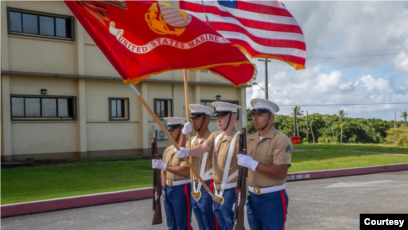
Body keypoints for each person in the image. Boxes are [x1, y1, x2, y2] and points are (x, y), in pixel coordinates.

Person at [175, 101, 244, 230]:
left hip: (230, 189)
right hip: (217, 191)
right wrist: (187, 151)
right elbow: (203, 147)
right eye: (217, 117)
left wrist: (241, 195)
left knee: (232, 225)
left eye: (222, 116)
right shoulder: (215, 136)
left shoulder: (239, 138)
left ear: (233, 117)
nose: (218, 120)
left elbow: (242, 169)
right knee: (222, 225)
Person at [238, 98, 292, 230]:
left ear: (271, 117)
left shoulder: (281, 140)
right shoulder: (249, 139)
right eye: (254, 115)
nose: (255, 119)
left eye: (260, 115)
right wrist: (239, 194)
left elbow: (280, 173)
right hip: (252, 198)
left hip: (272, 199)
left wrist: (253, 163)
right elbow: (244, 171)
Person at [179, 104, 218, 230]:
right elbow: (180, 155)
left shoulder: (213, 138)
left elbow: (201, 149)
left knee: (210, 223)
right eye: (192, 119)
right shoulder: (192, 140)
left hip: (207, 184)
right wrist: (183, 134)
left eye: (196, 119)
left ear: (205, 120)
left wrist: (187, 151)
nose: (193, 122)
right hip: (194, 184)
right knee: (201, 223)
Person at [152, 117, 193, 230]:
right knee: (171, 225)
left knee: (183, 224)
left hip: (181, 188)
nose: (170, 133)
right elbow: (163, 172)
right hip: (168, 190)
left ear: (181, 130)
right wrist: (162, 188)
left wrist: (164, 166)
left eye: (173, 130)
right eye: (169, 130)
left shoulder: (187, 148)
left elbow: (184, 171)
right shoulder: (168, 150)